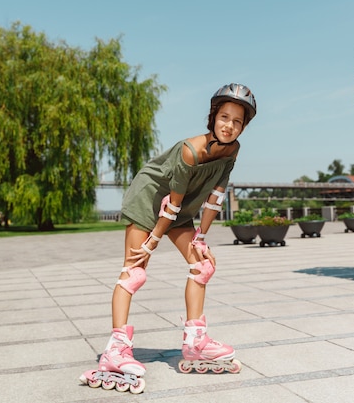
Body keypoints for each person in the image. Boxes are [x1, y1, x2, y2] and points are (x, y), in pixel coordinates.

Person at [80, 83, 257, 394]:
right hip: (151, 198)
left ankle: (195, 341)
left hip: (181, 207)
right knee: (134, 271)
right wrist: (150, 242)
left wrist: (201, 238)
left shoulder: (233, 150)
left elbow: (215, 197)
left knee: (202, 265)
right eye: (224, 117)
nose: (229, 126)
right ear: (213, 117)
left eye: (237, 121)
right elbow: (169, 204)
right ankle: (115, 350)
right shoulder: (190, 151)